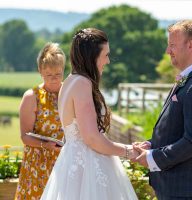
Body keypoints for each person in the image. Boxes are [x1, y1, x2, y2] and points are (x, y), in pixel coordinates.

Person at [40, 28, 138, 200]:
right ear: (92, 56)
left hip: (72, 164)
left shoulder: (69, 81)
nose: (108, 61)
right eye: (105, 55)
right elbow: (91, 138)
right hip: (88, 168)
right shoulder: (82, 83)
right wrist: (128, 151)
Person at [133, 19, 192, 200]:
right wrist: (152, 145)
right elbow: (176, 129)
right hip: (174, 187)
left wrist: (153, 158)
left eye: (172, 45)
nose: (167, 51)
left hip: (185, 189)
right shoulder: (189, 79)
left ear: (190, 45)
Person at [15, 42, 65, 200]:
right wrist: (45, 145)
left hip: (65, 161)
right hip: (38, 165)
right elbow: (24, 136)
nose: (54, 79)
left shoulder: (69, 93)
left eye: (58, 74)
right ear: (40, 71)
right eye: (49, 75)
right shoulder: (32, 97)